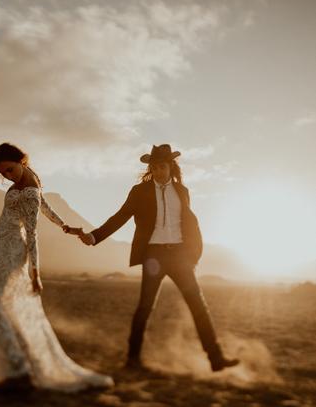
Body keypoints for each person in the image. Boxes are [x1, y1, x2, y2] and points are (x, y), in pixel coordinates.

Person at [78, 144, 239, 372]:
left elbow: (189, 223)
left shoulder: (182, 191)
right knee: (145, 307)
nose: (158, 171)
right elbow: (121, 216)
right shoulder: (139, 191)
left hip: (181, 256)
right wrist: (94, 237)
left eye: (162, 167)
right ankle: (133, 360)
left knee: (198, 306)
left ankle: (216, 358)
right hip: (154, 255)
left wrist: (193, 255)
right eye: (154, 167)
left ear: (171, 166)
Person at [0, 143, 114, 391]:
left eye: (10, 169)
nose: (8, 176)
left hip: (12, 250)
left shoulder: (29, 192)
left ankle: (17, 368)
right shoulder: (31, 187)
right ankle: (18, 368)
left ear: (22, 160)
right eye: (4, 174)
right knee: (3, 303)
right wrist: (64, 225)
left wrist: (35, 273)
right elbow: (46, 208)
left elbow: (32, 234)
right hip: (2, 249)